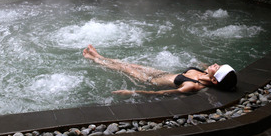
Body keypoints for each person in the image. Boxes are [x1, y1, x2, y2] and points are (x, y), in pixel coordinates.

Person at [83, 45, 237, 96]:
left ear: (215, 80)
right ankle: (100, 56)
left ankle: (94, 59)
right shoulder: (205, 73)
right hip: (161, 73)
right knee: (131, 64)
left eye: (217, 67)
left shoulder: (193, 86)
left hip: (151, 81)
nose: (215, 64)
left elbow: (160, 94)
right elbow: (206, 66)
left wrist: (131, 93)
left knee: (124, 68)